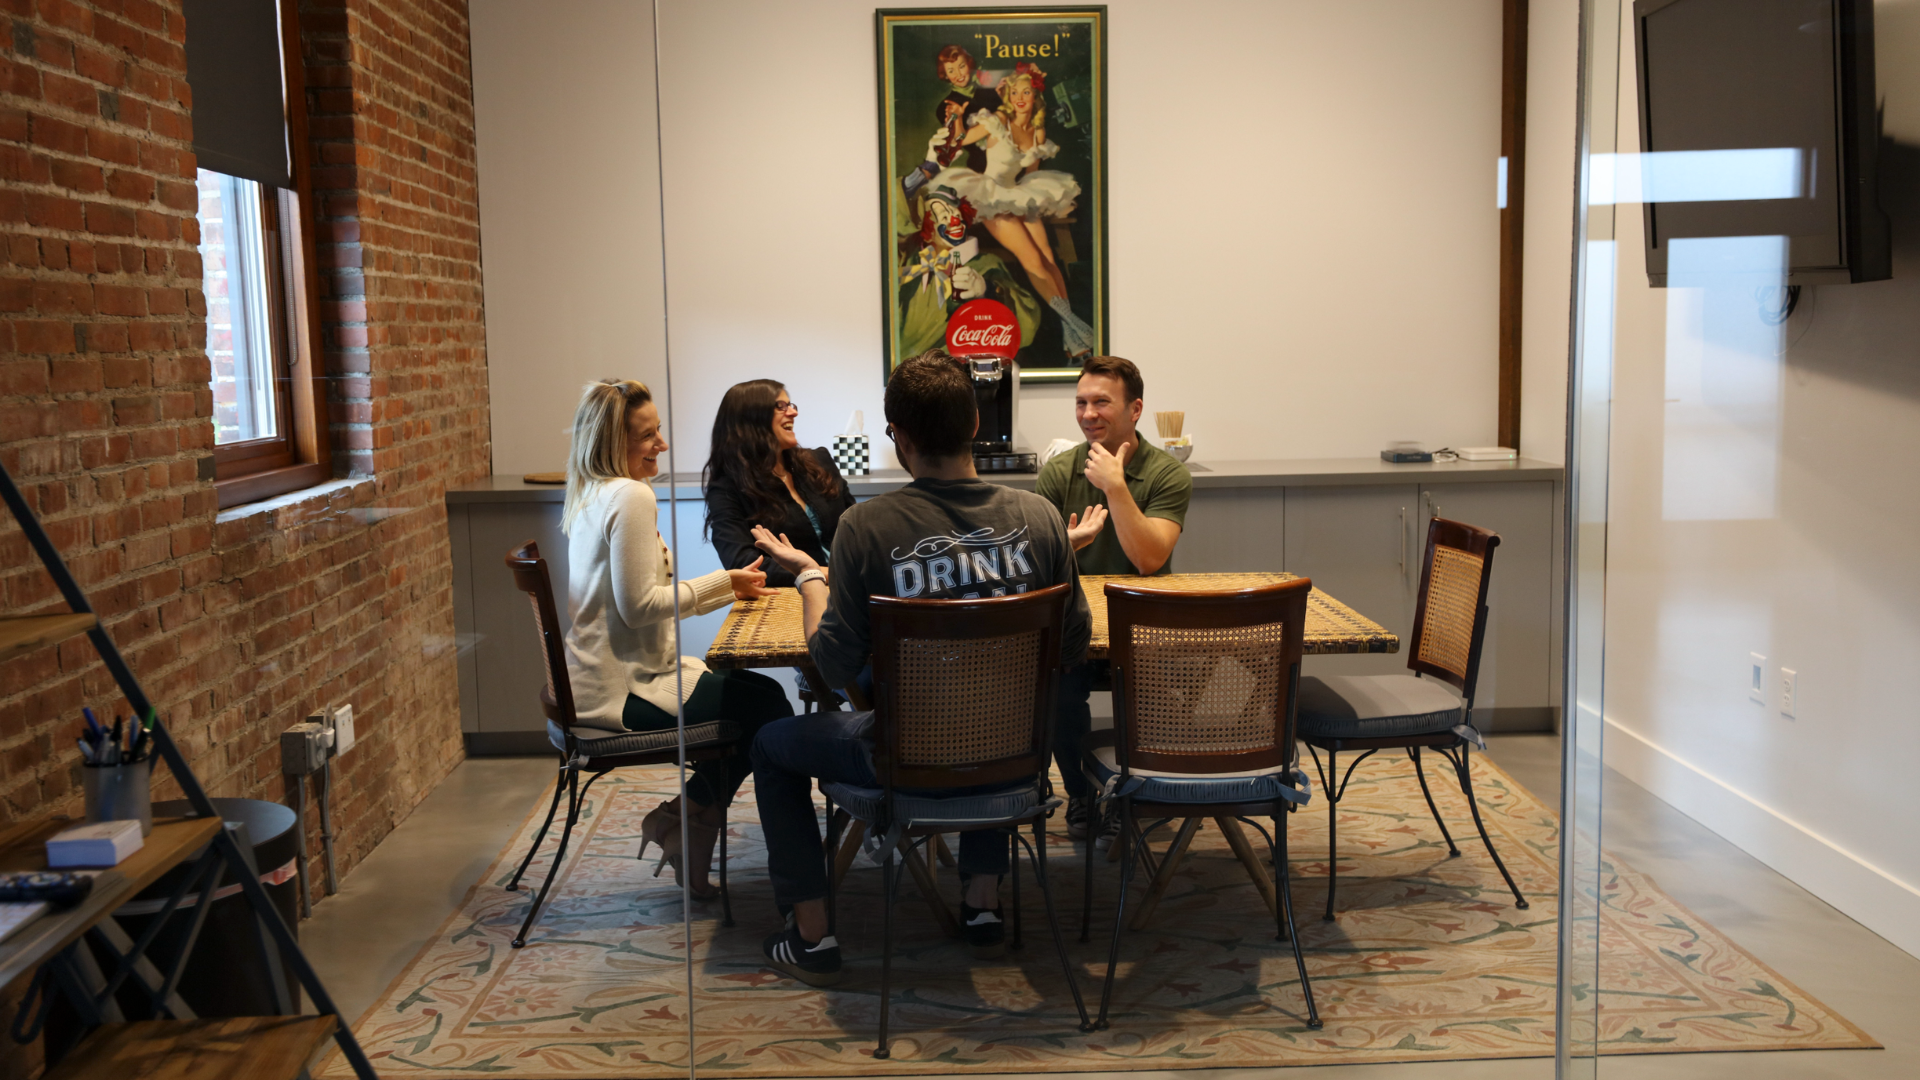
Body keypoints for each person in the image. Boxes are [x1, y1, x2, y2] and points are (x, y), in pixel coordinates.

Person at [746, 351, 1091, 986]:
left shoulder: (865, 527)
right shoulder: (1040, 519)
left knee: (770, 743)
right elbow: (1074, 644)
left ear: (897, 436)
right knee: (989, 705)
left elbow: (831, 666)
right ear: (976, 425)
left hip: (904, 764)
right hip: (1013, 762)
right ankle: (982, 902)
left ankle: (812, 936)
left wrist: (812, 577)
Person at [560, 378, 794, 900]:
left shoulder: (593, 491)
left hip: (597, 680)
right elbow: (639, 607)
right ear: (612, 442)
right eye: (647, 436)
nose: (661, 444)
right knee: (770, 712)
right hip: (620, 693)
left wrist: (724, 587)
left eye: (658, 430)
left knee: (760, 697)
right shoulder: (630, 496)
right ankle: (702, 825)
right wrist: (723, 584)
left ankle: (685, 822)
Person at [1033, 356, 1193, 845]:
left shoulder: (1167, 474)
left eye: (1101, 402)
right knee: (1056, 690)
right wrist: (1066, 545)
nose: (1088, 414)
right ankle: (1082, 794)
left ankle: (1135, 796)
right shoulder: (1059, 473)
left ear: (1135, 409)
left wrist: (1116, 486)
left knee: (1160, 692)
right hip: (1076, 626)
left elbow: (1148, 558)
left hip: (1146, 626)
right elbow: (1035, 565)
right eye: (1081, 403)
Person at [925, 65, 1098, 359]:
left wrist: (1030, 202)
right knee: (1033, 260)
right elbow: (959, 140)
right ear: (1007, 95)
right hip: (989, 195)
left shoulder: (1038, 132)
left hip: (1016, 192)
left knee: (1048, 257)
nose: (1019, 98)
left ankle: (1069, 333)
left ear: (1035, 97)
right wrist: (957, 118)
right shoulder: (999, 120)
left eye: (1026, 92)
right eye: (1014, 92)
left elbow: (1030, 175)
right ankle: (1074, 327)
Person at [703, 379, 856, 588]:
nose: (793, 412)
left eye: (790, 405)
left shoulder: (819, 461)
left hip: (852, 586)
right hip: (793, 594)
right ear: (751, 418)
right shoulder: (726, 488)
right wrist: (820, 573)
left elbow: (856, 527)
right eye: (780, 406)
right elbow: (743, 564)